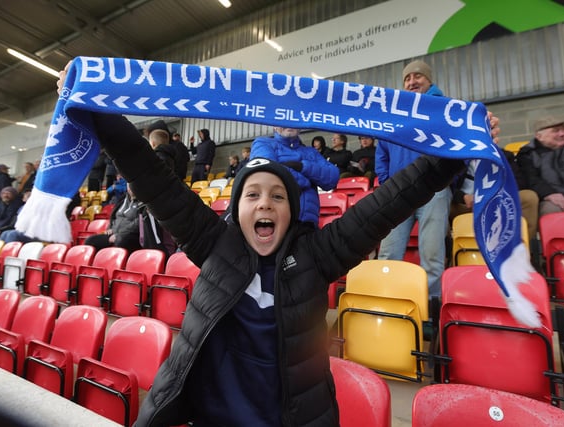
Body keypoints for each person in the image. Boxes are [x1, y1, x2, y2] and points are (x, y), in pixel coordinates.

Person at [74, 111, 465, 427]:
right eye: (252, 194)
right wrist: (100, 115)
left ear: (291, 213)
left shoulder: (317, 255)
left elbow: (388, 203)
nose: (265, 204)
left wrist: (453, 155)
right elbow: (152, 176)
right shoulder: (214, 242)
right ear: (235, 209)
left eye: (278, 196)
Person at [376, 59, 453, 303]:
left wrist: (448, 177)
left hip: (435, 191)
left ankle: (428, 307)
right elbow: (382, 152)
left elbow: (457, 148)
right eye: (408, 78)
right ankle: (386, 300)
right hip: (399, 192)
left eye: (418, 76)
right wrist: (389, 183)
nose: (412, 82)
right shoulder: (395, 113)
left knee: (432, 255)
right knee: (388, 251)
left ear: (429, 80)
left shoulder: (443, 109)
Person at [249, 127, 340, 225]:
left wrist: (303, 167)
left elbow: (332, 178)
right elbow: (267, 174)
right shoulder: (263, 143)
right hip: (275, 225)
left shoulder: (311, 152)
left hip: (307, 225)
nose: (288, 125)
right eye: (283, 120)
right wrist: (307, 180)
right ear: (274, 126)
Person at [84, 184, 143, 253]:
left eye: (132, 186)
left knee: (121, 241)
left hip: (130, 235)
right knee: (90, 240)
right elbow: (113, 217)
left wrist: (119, 234)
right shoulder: (122, 200)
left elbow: (139, 223)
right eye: (128, 186)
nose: (130, 188)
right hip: (114, 233)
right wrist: (110, 228)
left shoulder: (143, 203)